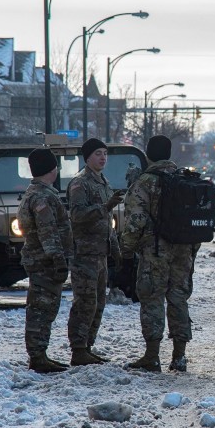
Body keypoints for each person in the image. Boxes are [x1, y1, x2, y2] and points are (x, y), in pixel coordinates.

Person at [121, 135, 199, 373]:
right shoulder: (184, 179)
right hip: (183, 249)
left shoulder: (145, 181)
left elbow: (136, 219)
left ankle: (152, 356)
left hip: (155, 249)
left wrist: (126, 250)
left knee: (152, 297)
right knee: (178, 298)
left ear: (148, 155)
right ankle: (179, 356)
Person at [66, 138, 124, 366]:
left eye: (105, 153)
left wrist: (115, 248)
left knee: (98, 302)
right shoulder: (81, 183)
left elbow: (107, 221)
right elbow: (78, 216)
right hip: (85, 254)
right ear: (87, 157)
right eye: (98, 153)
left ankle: (87, 347)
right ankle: (78, 349)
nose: (103, 157)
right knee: (85, 302)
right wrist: (106, 206)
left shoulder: (103, 182)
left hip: (101, 252)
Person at [17, 148, 73, 373]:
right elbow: (48, 231)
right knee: (42, 309)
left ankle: (39, 354)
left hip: (39, 260)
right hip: (45, 262)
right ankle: (38, 357)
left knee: (42, 308)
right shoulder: (43, 196)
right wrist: (58, 260)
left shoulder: (34, 192)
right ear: (53, 169)